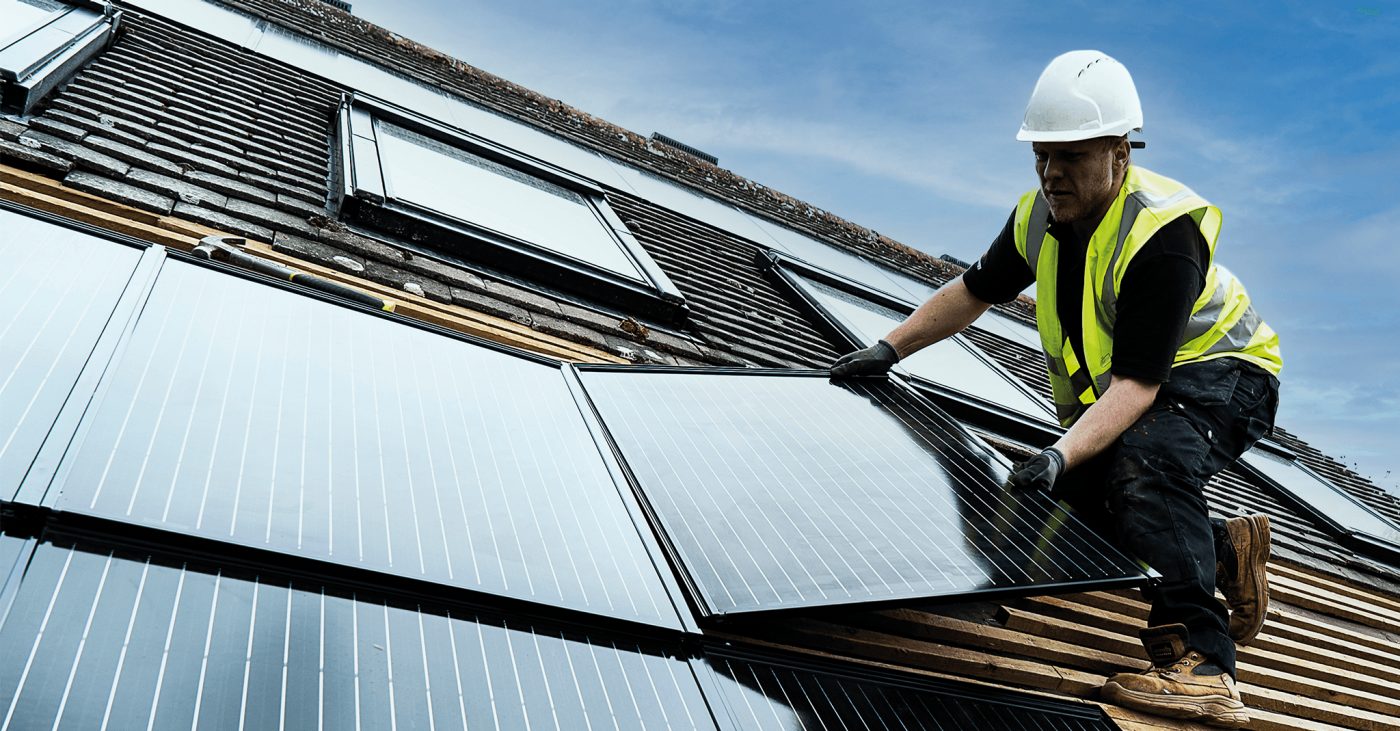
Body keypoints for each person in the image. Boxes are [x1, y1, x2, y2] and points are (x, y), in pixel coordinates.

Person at [831, 50, 1282, 729]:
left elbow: (1135, 386)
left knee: (1144, 463)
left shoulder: (1164, 238)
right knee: (1071, 501)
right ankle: (1220, 549)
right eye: (1042, 155)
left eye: (1069, 156)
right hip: (1151, 389)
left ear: (1119, 150)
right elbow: (971, 292)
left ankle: (1207, 664)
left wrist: (1059, 451)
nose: (1051, 173)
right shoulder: (1039, 218)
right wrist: (889, 347)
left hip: (1231, 373)